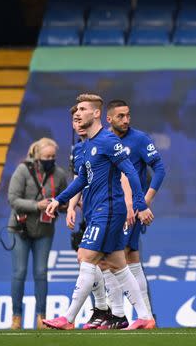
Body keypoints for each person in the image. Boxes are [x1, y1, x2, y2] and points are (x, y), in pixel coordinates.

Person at [42, 93, 156, 330]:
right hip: (96, 212)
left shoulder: (108, 141)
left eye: (83, 109)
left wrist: (139, 203)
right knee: (117, 264)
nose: (78, 113)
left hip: (109, 210)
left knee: (85, 256)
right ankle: (145, 316)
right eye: (76, 111)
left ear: (96, 113)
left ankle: (69, 318)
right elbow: (82, 179)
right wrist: (61, 199)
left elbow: (131, 173)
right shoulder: (86, 147)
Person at [90, 99, 166, 328]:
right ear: (109, 119)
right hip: (111, 208)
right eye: (121, 116)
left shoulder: (140, 139)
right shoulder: (103, 139)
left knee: (114, 257)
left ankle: (120, 315)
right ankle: (142, 316)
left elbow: (160, 169)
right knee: (129, 258)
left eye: (128, 115)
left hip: (129, 211)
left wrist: (143, 203)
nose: (126, 120)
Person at [7, 137, 70, 329]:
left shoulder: (59, 174)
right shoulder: (22, 170)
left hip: (44, 230)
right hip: (20, 229)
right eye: (46, 156)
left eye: (53, 156)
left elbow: (65, 200)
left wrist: (62, 205)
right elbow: (13, 199)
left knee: (41, 273)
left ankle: (41, 317)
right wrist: (37, 205)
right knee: (20, 272)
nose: (50, 159)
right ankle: (16, 316)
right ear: (37, 156)